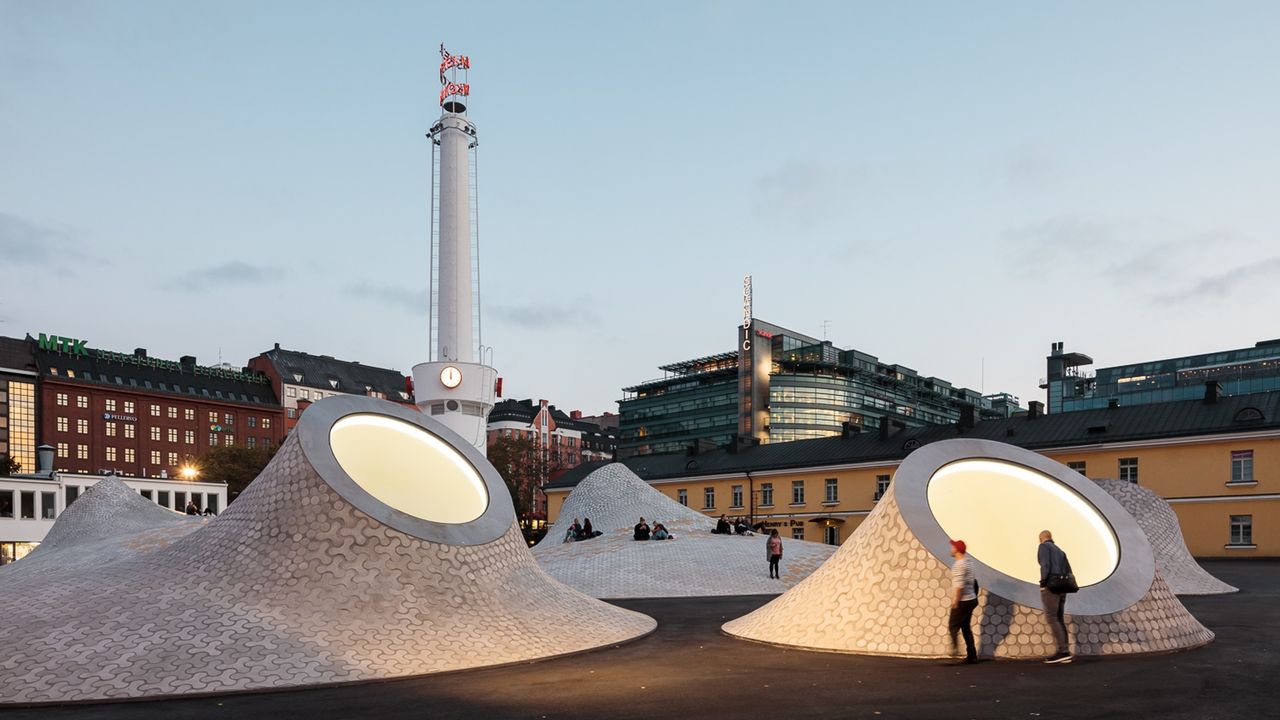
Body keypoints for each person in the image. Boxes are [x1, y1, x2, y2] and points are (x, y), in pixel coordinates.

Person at [1038, 530, 1074, 664]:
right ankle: (1065, 651)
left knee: (1052, 618)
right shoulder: (1060, 551)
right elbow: (1068, 569)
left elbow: (1045, 565)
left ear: (1041, 539)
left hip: (1051, 586)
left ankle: (1062, 651)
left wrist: (1043, 583)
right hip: (1063, 587)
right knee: (1059, 618)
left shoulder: (1043, 547)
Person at [947, 539, 979, 664]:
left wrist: (956, 601)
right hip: (971, 599)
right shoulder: (969, 563)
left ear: (957, 550)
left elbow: (959, 585)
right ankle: (972, 655)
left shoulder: (959, 565)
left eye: (953, 547)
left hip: (963, 600)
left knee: (953, 625)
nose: (951, 549)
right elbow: (974, 582)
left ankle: (955, 649)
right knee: (965, 627)